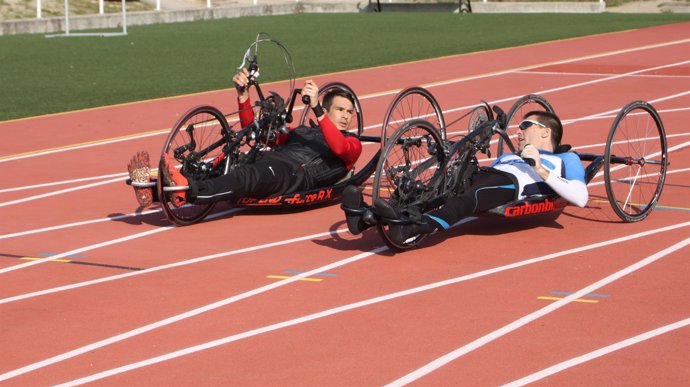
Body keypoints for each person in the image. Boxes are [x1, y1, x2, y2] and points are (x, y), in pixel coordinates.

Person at [343, 110, 588, 245]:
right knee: (433, 190)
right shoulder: (512, 155)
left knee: (468, 199)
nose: (519, 130)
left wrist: (539, 168)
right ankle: (365, 217)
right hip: (489, 174)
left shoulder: (566, 159)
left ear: (546, 132)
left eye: (526, 124)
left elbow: (580, 197)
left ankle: (413, 228)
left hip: (512, 186)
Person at [128, 69, 362, 207]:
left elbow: (339, 148)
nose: (346, 116)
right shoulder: (301, 133)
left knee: (245, 176)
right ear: (329, 109)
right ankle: (155, 192)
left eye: (349, 112)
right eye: (340, 110)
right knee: (226, 165)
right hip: (272, 161)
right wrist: (243, 95)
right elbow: (255, 130)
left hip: (293, 176)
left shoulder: (353, 143)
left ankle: (185, 191)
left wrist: (318, 110)